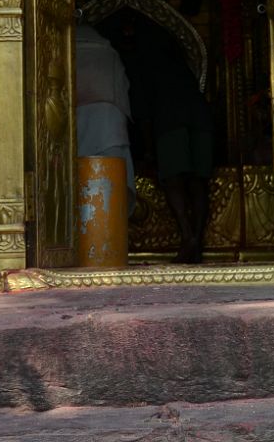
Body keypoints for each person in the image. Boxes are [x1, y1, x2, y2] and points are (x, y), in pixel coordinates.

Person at [121, 15, 213, 264]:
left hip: (170, 119)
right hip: (200, 116)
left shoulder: (141, 64)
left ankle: (188, 237)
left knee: (173, 179)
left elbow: (144, 115)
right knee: (197, 181)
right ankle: (197, 239)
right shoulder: (177, 60)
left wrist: (149, 152)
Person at [75, 24, 135, 212]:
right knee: (111, 192)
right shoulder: (108, 54)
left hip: (83, 124)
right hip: (112, 130)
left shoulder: (69, 52)